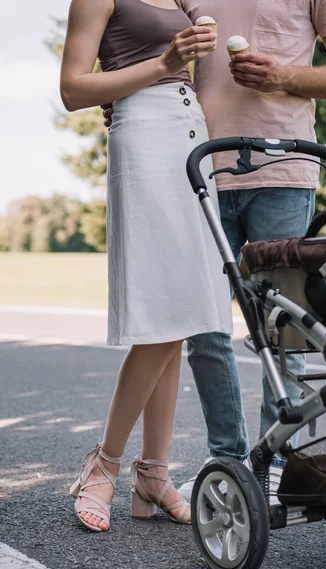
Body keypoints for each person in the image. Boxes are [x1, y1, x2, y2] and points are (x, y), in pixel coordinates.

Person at [102, 0, 326, 503]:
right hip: (197, 167)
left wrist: (283, 75)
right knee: (204, 326)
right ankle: (228, 461)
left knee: (282, 323)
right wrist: (134, 97)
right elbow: (155, 48)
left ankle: (274, 460)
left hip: (283, 167)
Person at [60, 0, 232, 532]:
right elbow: (72, 89)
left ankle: (153, 474)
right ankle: (105, 463)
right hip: (143, 134)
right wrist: (162, 64)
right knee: (162, 312)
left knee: (180, 313)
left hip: (190, 131)